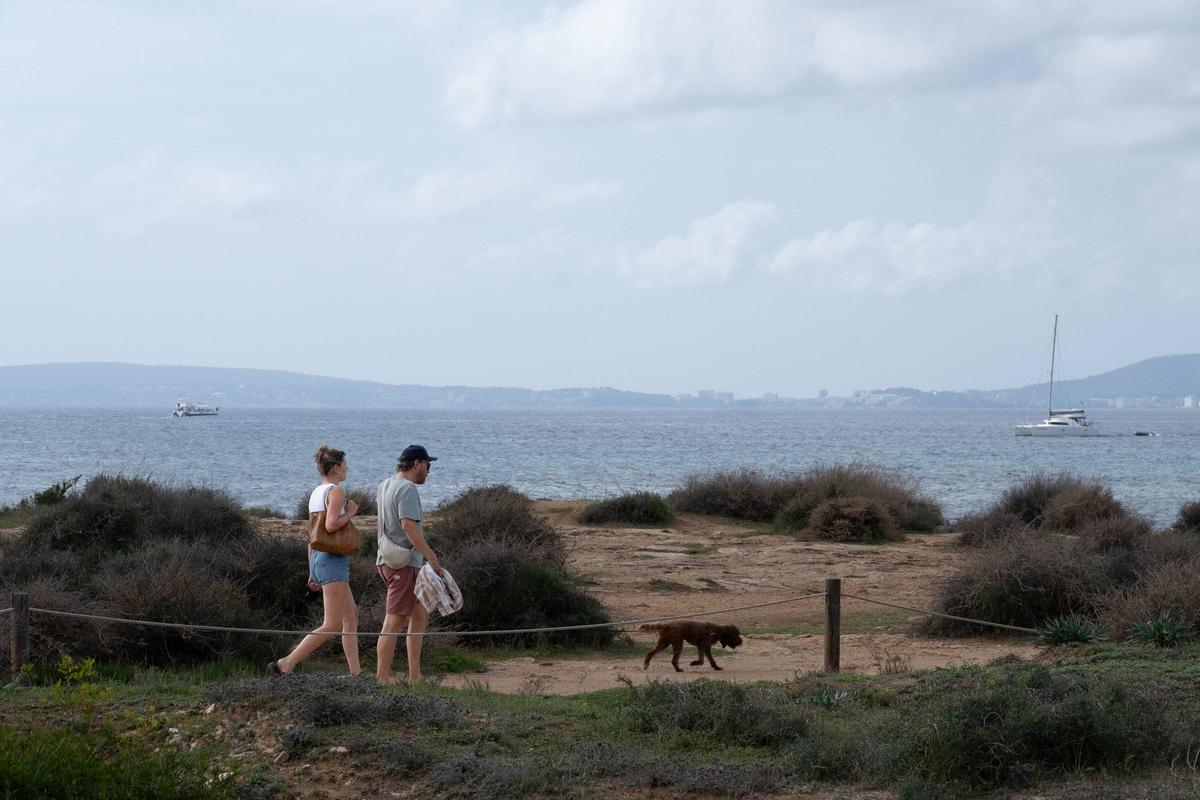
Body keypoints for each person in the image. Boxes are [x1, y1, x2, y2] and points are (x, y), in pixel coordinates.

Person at [268, 445, 361, 676]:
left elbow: (313, 537)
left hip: (319, 558)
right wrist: (350, 513)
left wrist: (312, 570)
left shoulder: (316, 493)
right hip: (333, 560)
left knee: (351, 619)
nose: (347, 469)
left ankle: (356, 675)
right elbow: (330, 526)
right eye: (345, 465)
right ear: (336, 467)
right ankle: (286, 664)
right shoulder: (336, 492)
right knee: (331, 625)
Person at [375, 444, 443, 685]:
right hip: (402, 564)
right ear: (417, 464)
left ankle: (415, 676)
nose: (428, 470)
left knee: (419, 615)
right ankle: (382, 678)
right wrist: (431, 556)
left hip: (389, 559)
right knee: (393, 621)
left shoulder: (385, 485)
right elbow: (408, 526)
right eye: (427, 465)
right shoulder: (407, 490)